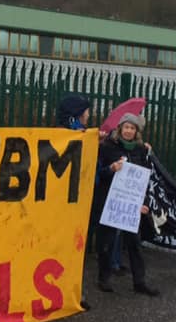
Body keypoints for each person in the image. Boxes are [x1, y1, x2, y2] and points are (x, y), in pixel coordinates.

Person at [94, 112, 159, 297]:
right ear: (120, 128)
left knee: (134, 244)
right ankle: (103, 279)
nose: (129, 131)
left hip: (131, 207)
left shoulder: (140, 150)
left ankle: (140, 282)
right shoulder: (107, 147)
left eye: (132, 128)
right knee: (106, 242)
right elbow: (97, 173)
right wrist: (111, 169)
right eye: (126, 127)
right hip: (110, 203)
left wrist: (143, 203)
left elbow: (145, 179)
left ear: (136, 131)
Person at [55, 94, 94, 310]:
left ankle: (71, 293)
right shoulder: (64, 137)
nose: (89, 115)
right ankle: (67, 294)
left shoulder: (84, 137)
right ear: (76, 115)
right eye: (86, 111)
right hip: (65, 206)